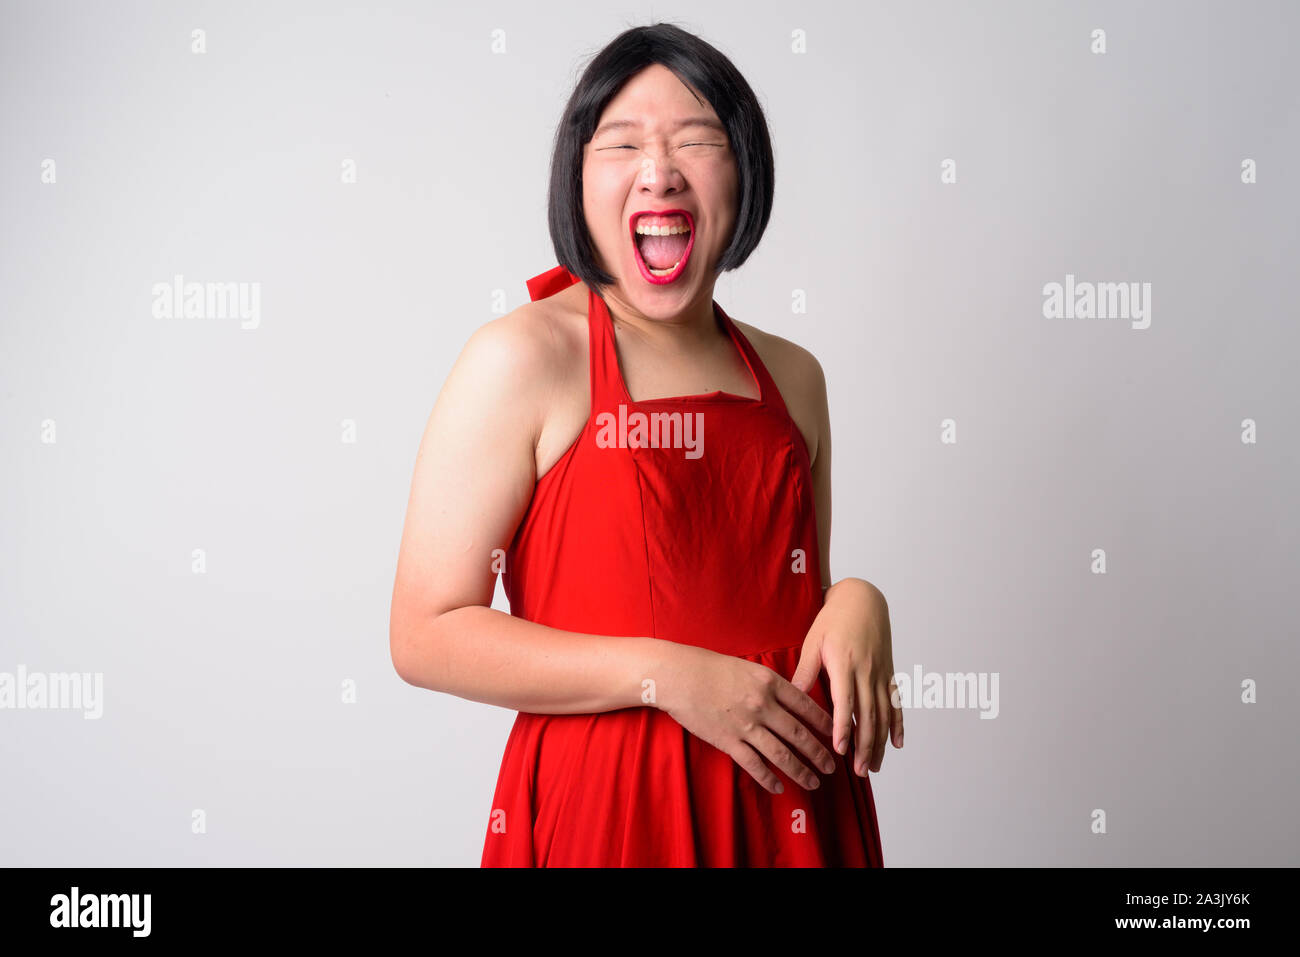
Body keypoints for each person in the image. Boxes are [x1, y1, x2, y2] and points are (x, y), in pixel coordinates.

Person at [389, 22, 902, 867]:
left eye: (697, 141)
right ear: (578, 181)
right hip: (616, 816)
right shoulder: (522, 358)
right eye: (621, 144)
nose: (659, 170)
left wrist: (859, 600)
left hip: (795, 814)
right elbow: (425, 632)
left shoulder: (795, 378)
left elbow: (787, 604)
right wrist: (669, 675)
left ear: (743, 171)